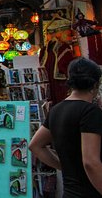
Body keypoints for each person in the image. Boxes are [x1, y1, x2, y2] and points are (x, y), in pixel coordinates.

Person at [29, 57, 102, 197]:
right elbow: (90, 162)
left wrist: (65, 167)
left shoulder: (56, 110)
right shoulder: (90, 113)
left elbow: (35, 145)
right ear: (95, 84)